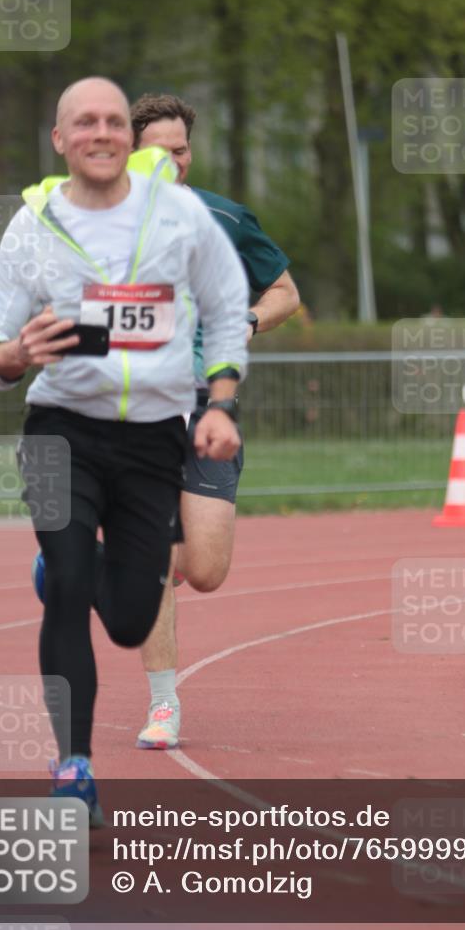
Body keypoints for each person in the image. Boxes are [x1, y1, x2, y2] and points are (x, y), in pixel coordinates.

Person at [0, 77, 249, 822]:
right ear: (59, 140)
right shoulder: (33, 225)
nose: (101, 132)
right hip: (61, 430)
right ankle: (73, 771)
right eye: (83, 121)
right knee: (65, 585)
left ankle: (82, 567)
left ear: (131, 136)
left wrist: (219, 403)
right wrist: (13, 355)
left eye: (114, 121)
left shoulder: (177, 215)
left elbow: (225, 313)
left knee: (128, 619)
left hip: (155, 436)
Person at [129, 93, 300, 749]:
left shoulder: (226, 218)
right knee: (149, 557)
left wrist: (248, 320)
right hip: (137, 410)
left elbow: (285, 291)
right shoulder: (104, 224)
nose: (171, 160)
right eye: (158, 150)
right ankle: (163, 704)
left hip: (209, 410)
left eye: (181, 149)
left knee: (203, 569)